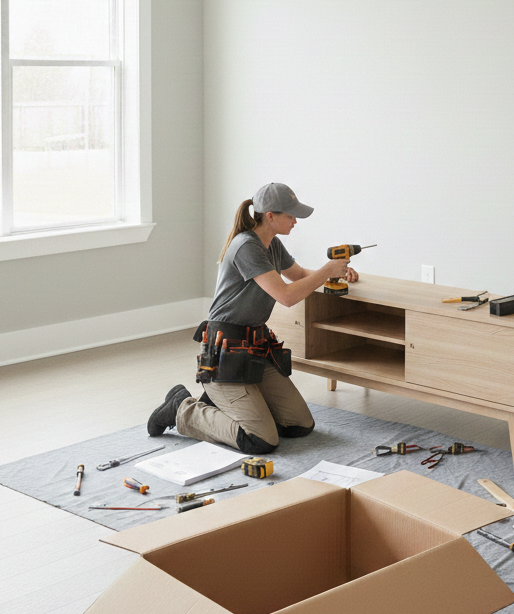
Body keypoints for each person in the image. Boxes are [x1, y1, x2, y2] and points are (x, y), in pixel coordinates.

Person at [146, 182, 357, 453]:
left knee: (299, 425)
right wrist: (327, 269)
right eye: (290, 215)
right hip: (226, 352)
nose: (295, 220)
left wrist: (337, 272)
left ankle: (223, 403)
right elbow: (286, 295)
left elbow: (301, 276)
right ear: (270, 216)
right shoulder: (247, 246)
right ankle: (182, 408)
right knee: (260, 440)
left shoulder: (273, 245)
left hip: (256, 350)